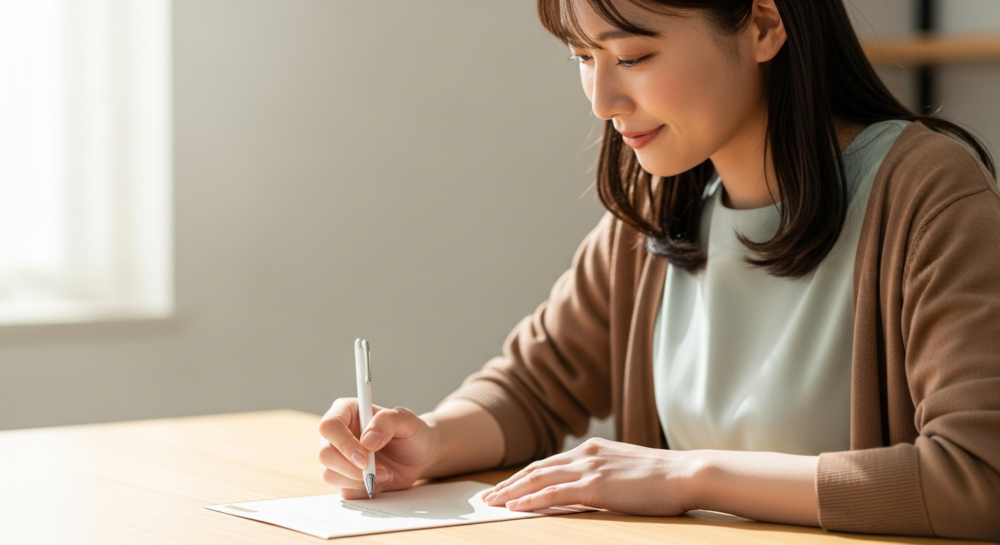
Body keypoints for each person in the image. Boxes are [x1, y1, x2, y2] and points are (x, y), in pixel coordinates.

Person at [318, 0, 1000, 540]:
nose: (601, 99)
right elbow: (534, 386)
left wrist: (687, 477)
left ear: (764, 25)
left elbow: (978, 476)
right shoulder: (658, 204)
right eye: (582, 56)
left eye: (632, 56)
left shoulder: (926, 191)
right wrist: (430, 441)